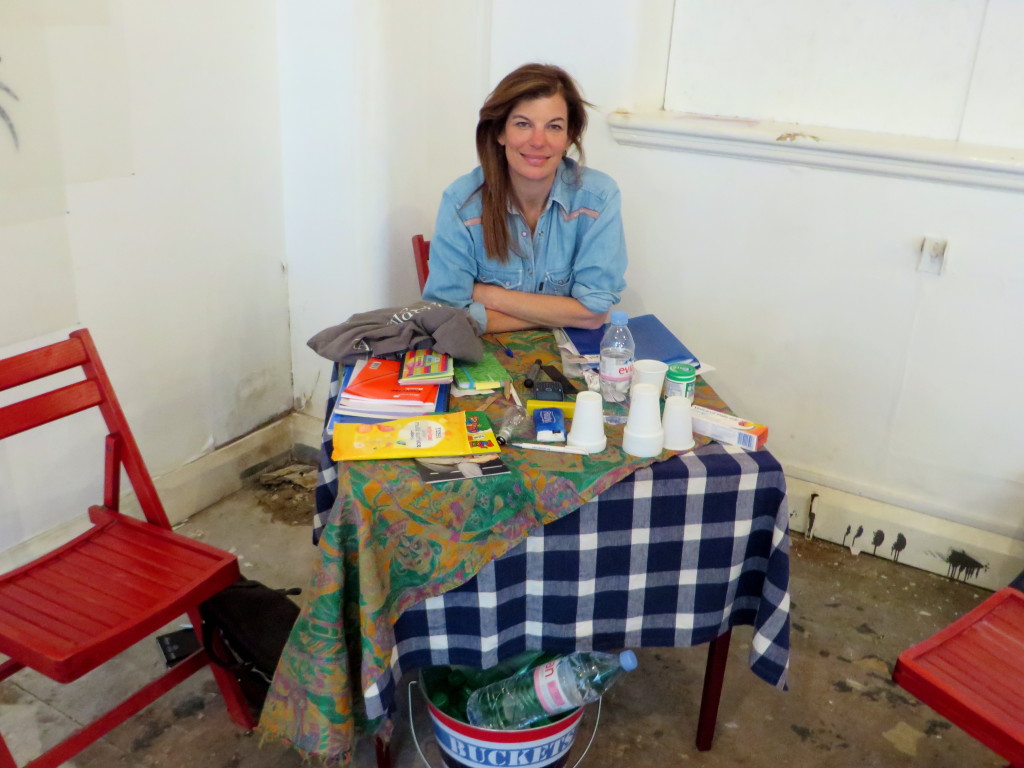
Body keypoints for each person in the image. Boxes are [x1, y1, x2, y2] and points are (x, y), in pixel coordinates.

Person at [422, 63, 627, 334]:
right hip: (485, 355)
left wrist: (489, 296)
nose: (538, 141)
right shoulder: (462, 202)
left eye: (554, 127)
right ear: (500, 132)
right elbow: (447, 319)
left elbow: (593, 313)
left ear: (569, 137)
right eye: (522, 124)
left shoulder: (598, 198)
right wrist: (568, 313)